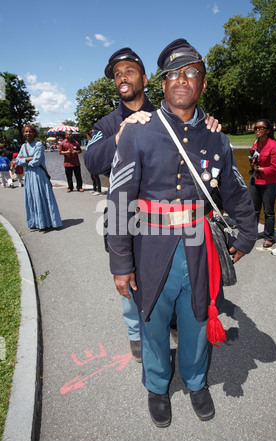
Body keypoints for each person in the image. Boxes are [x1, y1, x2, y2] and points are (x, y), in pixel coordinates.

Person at [107, 38, 257, 427]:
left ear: (203, 84)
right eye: (173, 74)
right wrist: (121, 262)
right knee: (153, 323)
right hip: (150, 247)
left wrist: (244, 237)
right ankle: (158, 386)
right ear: (162, 83)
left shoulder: (216, 137)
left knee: (196, 319)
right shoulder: (139, 132)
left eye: (192, 73)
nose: (182, 80)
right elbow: (119, 200)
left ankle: (195, 380)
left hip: (198, 246)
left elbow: (237, 191)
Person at [84, 47, 221, 363]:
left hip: (172, 223)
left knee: (171, 279)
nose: (122, 78)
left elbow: (197, 141)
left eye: (129, 71)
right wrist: (120, 134)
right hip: (127, 218)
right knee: (131, 285)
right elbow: (91, 161)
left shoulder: (169, 111)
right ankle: (137, 331)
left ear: (146, 79)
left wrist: (210, 125)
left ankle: (171, 321)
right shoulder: (106, 123)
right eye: (117, 74)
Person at [16, 125, 62, 231]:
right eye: (26, 132)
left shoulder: (39, 145)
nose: (28, 134)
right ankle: (36, 222)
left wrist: (25, 160)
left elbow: (36, 162)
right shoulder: (23, 146)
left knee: (41, 196)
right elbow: (18, 161)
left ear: (34, 133)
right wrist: (28, 159)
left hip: (39, 175)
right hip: (29, 175)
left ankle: (46, 222)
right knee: (32, 197)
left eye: (30, 132)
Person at [248, 119, 276, 248]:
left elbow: (275, 168)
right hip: (255, 180)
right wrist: (253, 164)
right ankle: (252, 233)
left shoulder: (274, 145)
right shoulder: (256, 144)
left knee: (268, 211)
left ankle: (268, 237)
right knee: (254, 210)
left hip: (269, 182)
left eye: (261, 128)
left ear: (267, 130)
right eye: (256, 128)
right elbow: (254, 157)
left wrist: (259, 169)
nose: (257, 130)